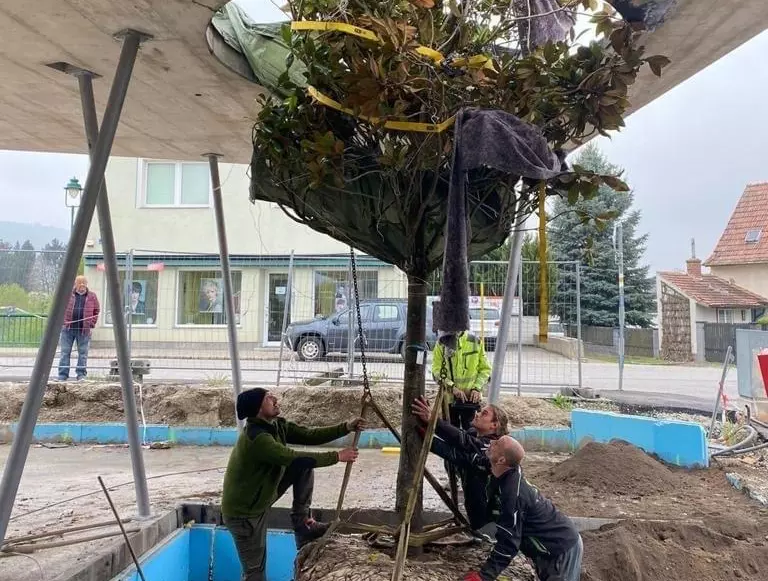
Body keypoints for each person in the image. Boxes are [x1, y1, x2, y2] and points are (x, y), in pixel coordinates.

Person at [221, 388, 365, 581]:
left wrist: (346, 427)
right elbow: (291, 457)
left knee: (303, 465)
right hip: (244, 514)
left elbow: (309, 435)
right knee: (254, 571)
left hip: (261, 497)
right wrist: (336, 456)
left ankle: (303, 524)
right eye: (268, 398)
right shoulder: (258, 439)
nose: (275, 399)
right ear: (258, 409)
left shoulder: (276, 425)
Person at [463, 435, 583, 581]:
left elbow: (509, 542)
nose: (491, 442)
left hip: (561, 547)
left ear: (502, 460)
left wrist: (484, 576)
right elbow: (463, 452)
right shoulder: (504, 471)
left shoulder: (512, 494)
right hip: (546, 546)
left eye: (496, 444)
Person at [412, 396, 508, 530]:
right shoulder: (474, 433)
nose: (477, 414)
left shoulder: (495, 446)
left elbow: (463, 447)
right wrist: (429, 424)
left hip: (493, 514)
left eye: (484, 414)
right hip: (475, 503)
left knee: (484, 533)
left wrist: (433, 423)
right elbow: (460, 440)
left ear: (494, 425)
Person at [431, 330, 492, 430]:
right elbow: (436, 372)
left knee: (471, 433)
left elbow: (485, 369)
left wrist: (476, 388)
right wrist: (452, 388)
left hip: (470, 400)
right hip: (449, 400)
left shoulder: (475, 342)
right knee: (451, 432)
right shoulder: (442, 343)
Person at [58, 275, 100, 381]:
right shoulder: (67, 295)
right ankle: (63, 375)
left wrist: (91, 324)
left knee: (83, 353)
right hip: (68, 329)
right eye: (79, 282)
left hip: (83, 330)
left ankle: (81, 374)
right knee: (65, 352)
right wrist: (63, 322)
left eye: (84, 283)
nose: (81, 285)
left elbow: (96, 311)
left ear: (86, 284)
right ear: (75, 284)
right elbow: (60, 308)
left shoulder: (92, 296)